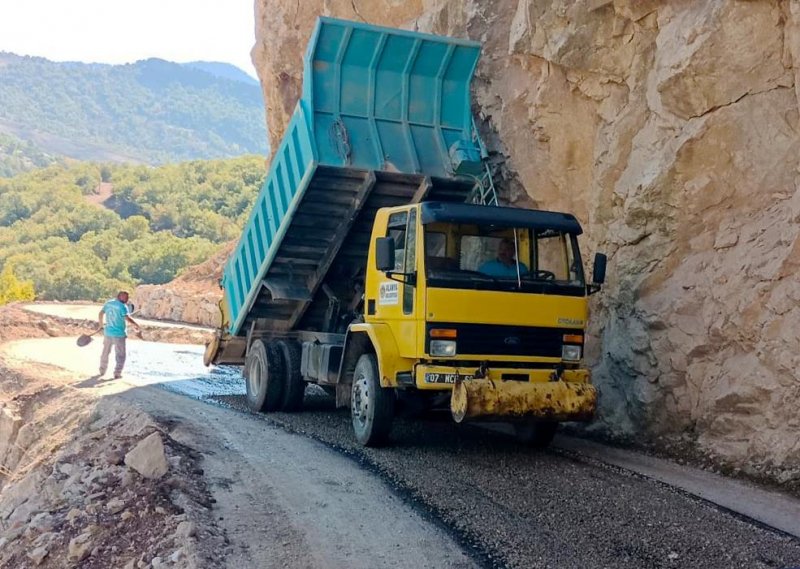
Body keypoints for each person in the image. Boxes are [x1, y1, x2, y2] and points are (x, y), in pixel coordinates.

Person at [98, 291, 141, 379]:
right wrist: (136, 324)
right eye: (125, 297)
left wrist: (101, 325)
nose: (127, 299)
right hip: (119, 334)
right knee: (120, 355)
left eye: (127, 297)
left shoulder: (108, 303)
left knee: (105, 352)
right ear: (120, 296)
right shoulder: (122, 307)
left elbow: (101, 313)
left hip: (108, 332)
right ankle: (117, 373)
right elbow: (127, 318)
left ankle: (102, 370)